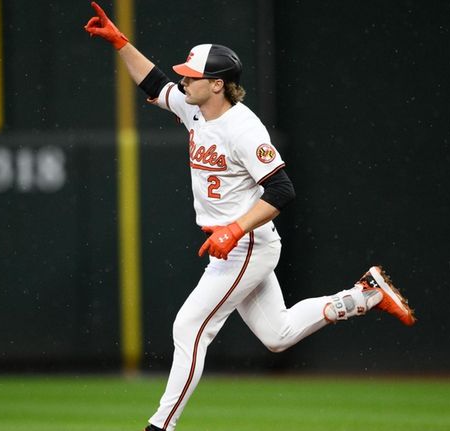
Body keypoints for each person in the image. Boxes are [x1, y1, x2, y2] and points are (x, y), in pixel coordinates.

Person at [84, 3, 416, 430]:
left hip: (245, 244)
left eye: (193, 75)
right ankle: (365, 295)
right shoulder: (196, 108)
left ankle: (159, 426)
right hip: (233, 243)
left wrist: (235, 229)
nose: (184, 79)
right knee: (277, 335)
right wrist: (121, 43)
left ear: (217, 85)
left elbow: (282, 190)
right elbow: (155, 83)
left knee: (189, 327)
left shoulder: (244, 129)